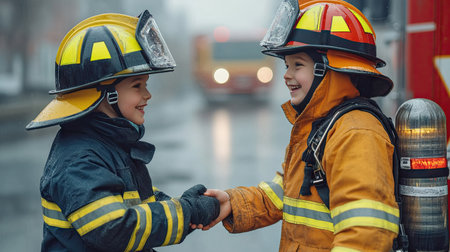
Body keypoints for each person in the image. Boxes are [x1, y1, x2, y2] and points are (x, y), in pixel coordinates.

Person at [202, 0, 400, 251]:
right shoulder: (322, 127)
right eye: (286, 65)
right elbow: (285, 193)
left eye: (298, 65)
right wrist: (232, 202)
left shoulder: (356, 133)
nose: (286, 74)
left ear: (331, 69)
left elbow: (366, 236)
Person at [26, 10, 219, 251]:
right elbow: (114, 229)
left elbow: (134, 201)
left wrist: (183, 205)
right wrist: (188, 212)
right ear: (105, 94)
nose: (147, 95)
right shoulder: (78, 160)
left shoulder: (106, 144)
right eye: (137, 86)